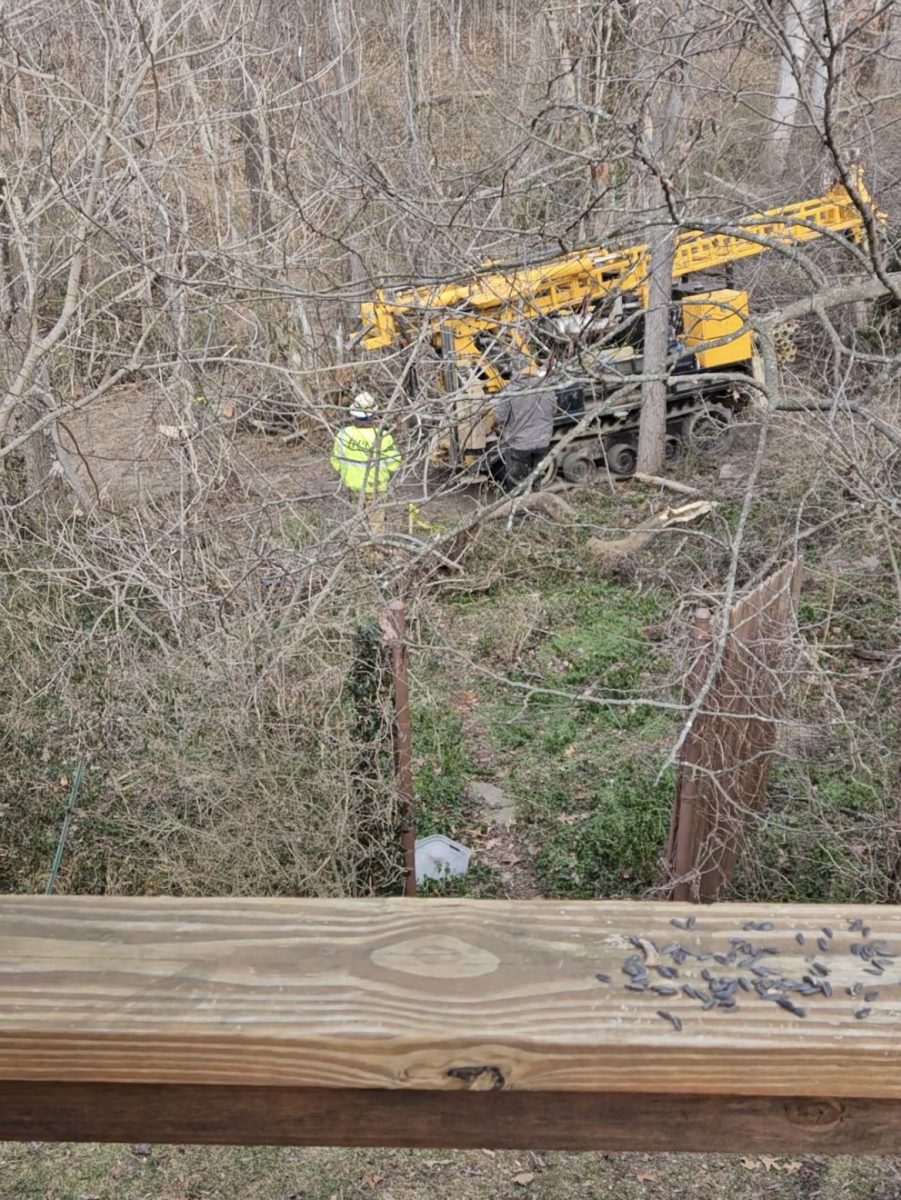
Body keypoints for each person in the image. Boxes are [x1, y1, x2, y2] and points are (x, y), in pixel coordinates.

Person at [330, 392, 402, 534]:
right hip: (376, 488)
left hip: (353, 487)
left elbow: (335, 462)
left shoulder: (343, 435)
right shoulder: (382, 436)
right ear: (374, 415)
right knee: (376, 525)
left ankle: (357, 549)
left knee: (358, 523)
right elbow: (394, 464)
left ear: (353, 414)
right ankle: (375, 553)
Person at [491, 366, 556, 492]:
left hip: (519, 445)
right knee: (535, 478)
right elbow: (553, 410)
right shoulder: (547, 387)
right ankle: (535, 501)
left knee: (517, 482)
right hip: (542, 442)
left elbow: (500, 418)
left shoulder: (510, 390)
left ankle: (519, 509)